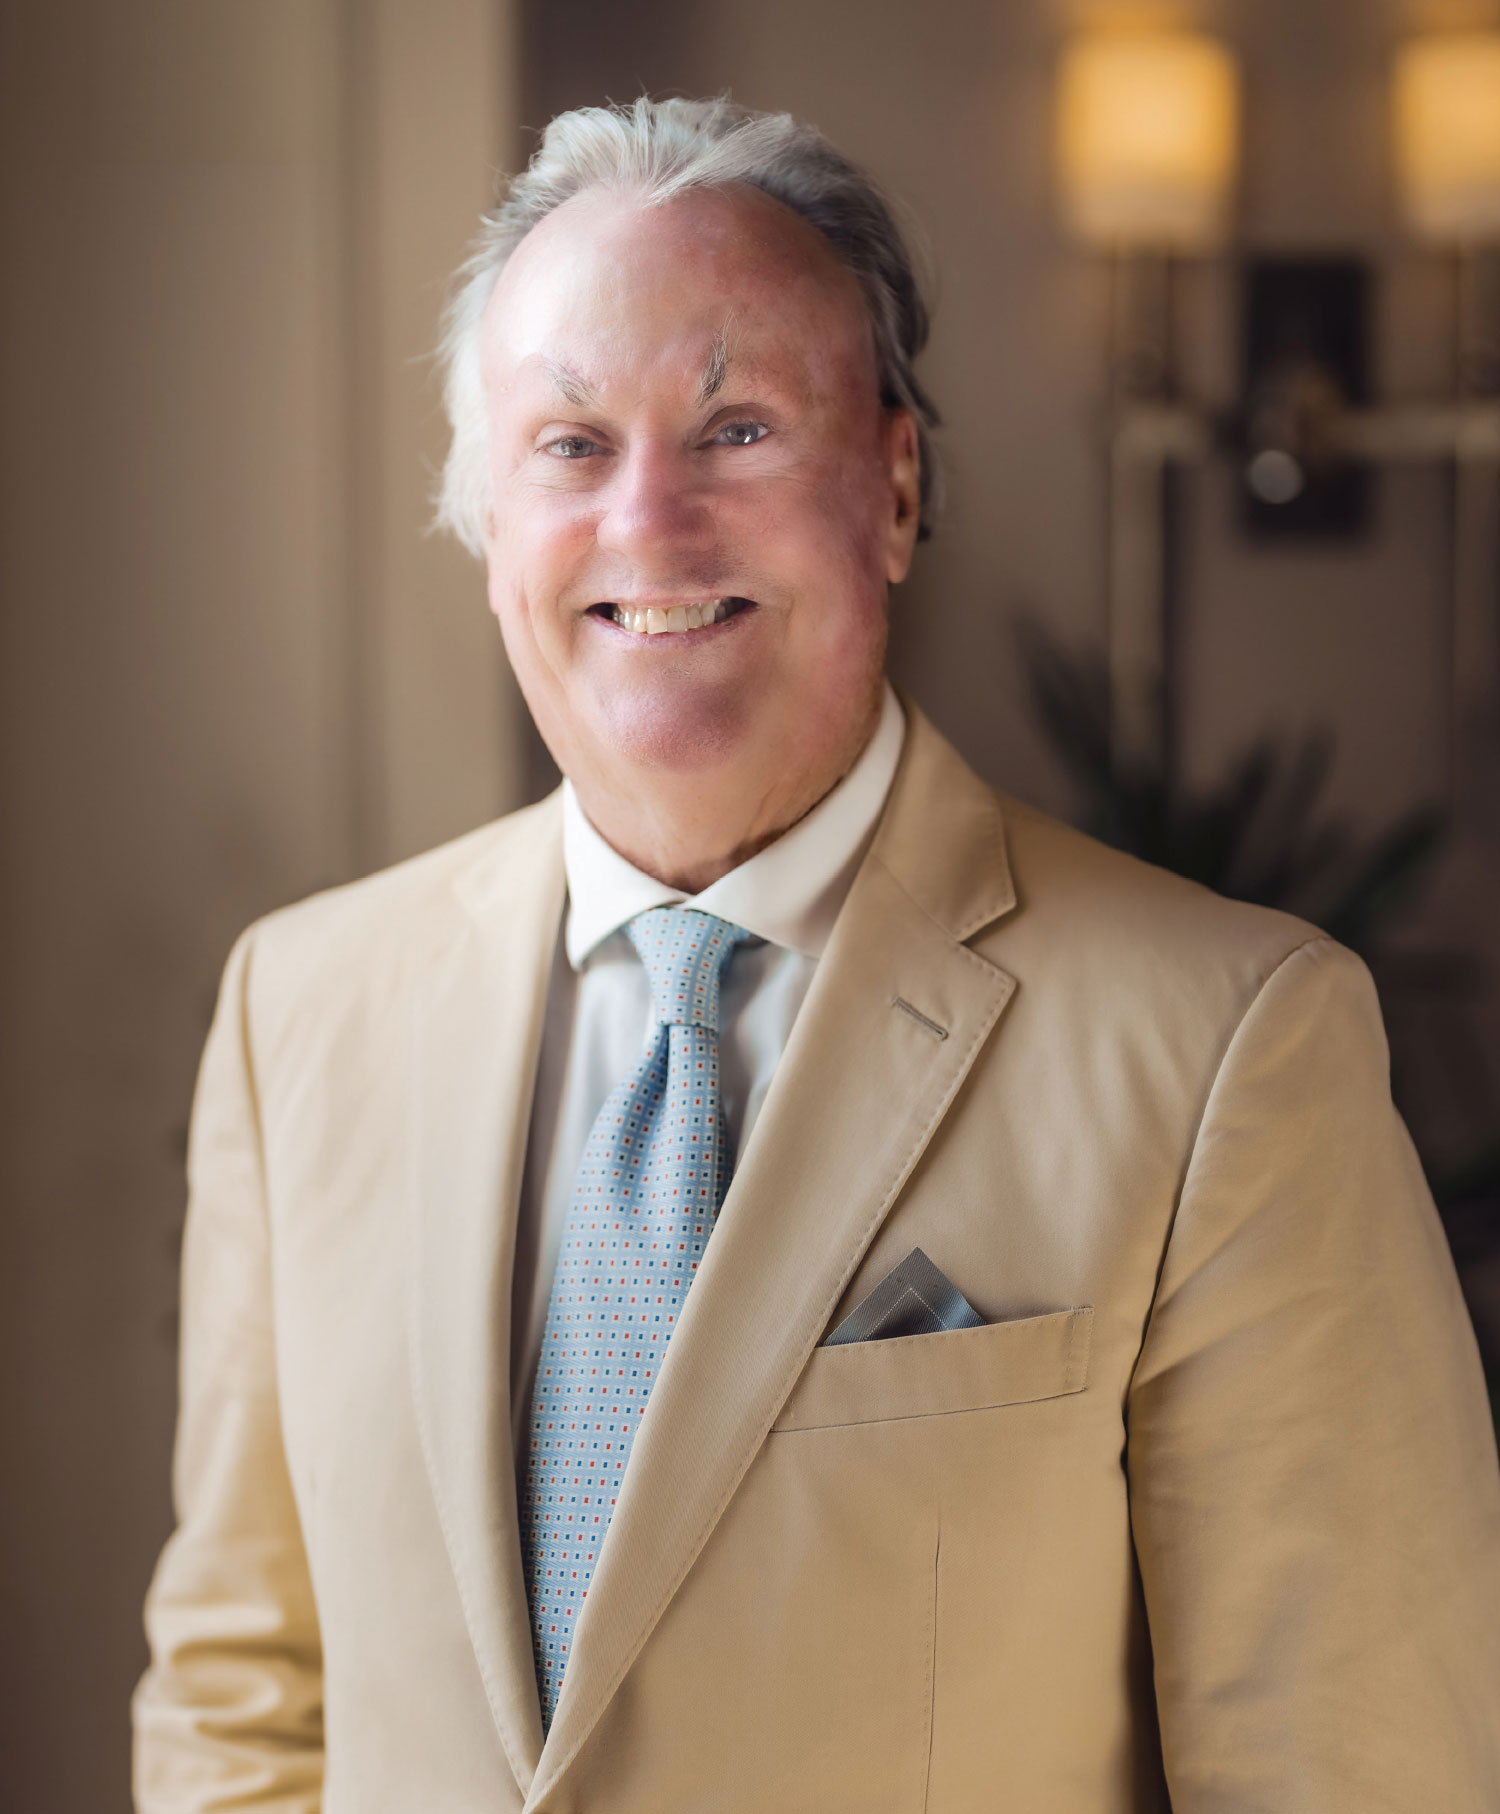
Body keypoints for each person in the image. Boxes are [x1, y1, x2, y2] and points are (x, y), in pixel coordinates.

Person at [134, 96, 1500, 1812]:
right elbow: (245, 1692)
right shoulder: (299, 1007)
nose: (652, 522)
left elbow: (1351, 1770)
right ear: (488, 527)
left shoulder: (1232, 1043)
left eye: (739, 427)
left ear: (898, 489)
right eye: (569, 442)